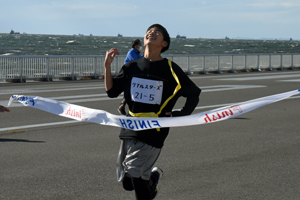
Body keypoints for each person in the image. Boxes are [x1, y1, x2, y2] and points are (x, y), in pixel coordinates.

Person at [104, 24, 201, 200]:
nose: (151, 33)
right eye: (149, 31)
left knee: (134, 174)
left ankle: (147, 182)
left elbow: (194, 93)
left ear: (164, 44)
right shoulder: (131, 66)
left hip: (154, 129)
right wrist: (107, 66)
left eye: (157, 33)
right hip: (131, 127)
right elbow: (111, 92)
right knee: (128, 182)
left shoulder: (171, 69)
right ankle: (152, 180)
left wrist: (179, 114)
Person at [118, 39, 144, 115]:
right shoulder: (131, 52)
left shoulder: (137, 52)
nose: (141, 46)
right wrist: (144, 55)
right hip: (128, 74)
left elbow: (141, 60)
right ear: (136, 46)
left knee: (130, 90)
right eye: (140, 45)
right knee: (130, 90)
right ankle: (123, 106)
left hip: (134, 74)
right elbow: (137, 61)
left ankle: (122, 106)